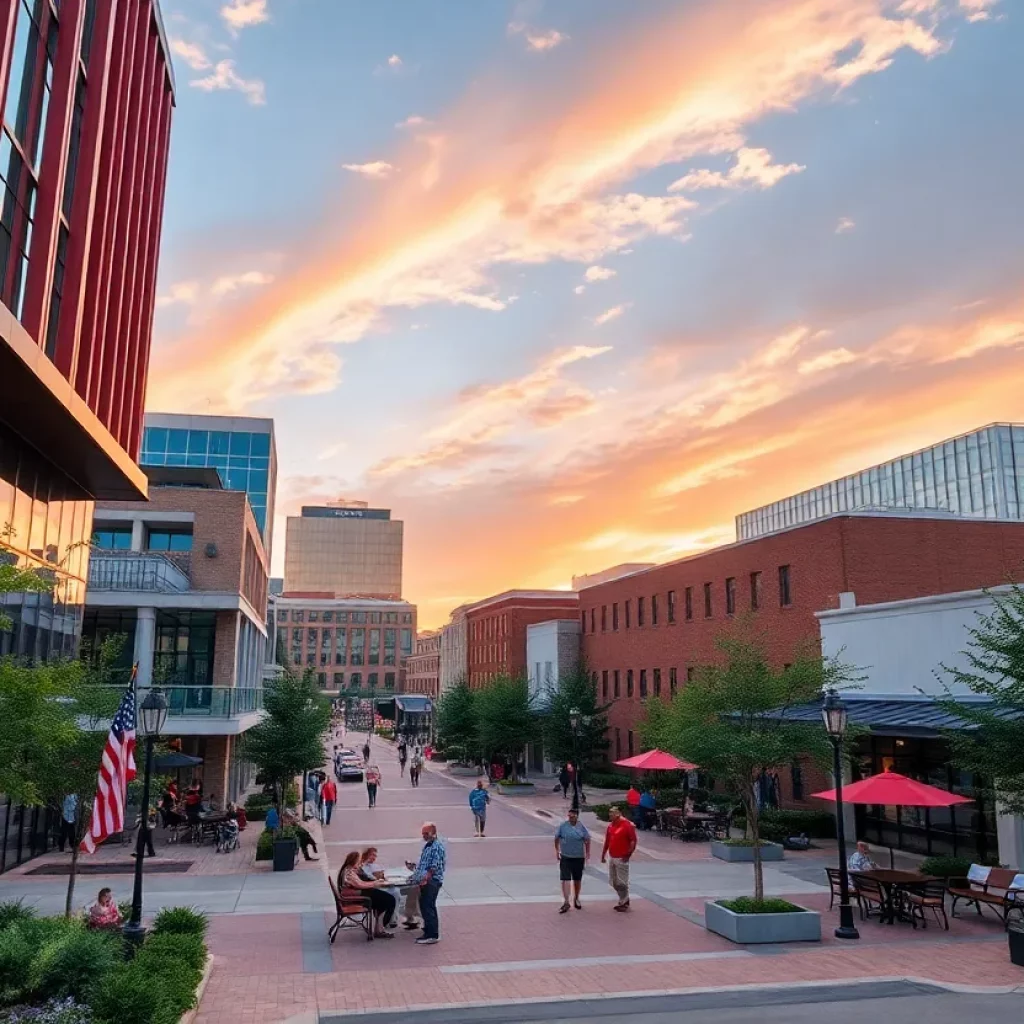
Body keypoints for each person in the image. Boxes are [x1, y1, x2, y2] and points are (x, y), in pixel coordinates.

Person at [405, 822, 445, 945]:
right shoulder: (428, 846)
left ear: (433, 832)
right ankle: (428, 930)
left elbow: (434, 866)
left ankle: (432, 934)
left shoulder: (436, 846)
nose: (424, 836)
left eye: (426, 833)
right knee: (424, 906)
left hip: (431, 881)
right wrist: (413, 868)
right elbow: (424, 865)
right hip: (425, 880)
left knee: (428, 906)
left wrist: (425, 879)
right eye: (423, 833)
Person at [339, 851, 395, 938]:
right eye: (358, 861)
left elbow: (360, 882)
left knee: (382, 901)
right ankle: (381, 927)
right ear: (354, 861)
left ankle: (379, 928)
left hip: (358, 895)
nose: (360, 863)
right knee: (389, 900)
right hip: (357, 898)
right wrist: (375, 883)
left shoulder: (348, 870)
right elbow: (360, 884)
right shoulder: (349, 872)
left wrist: (374, 882)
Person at [555, 807, 591, 913]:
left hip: (578, 857)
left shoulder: (581, 827)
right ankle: (566, 902)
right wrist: (557, 850)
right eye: (569, 816)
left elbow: (587, 839)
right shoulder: (563, 826)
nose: (570, 818)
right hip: (565, 856)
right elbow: (556, 838)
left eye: (573, 816)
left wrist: (588, 853)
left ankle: (576, 898)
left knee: (577, 879)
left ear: (577, 816)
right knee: (565, 879)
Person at [601, 805, 637, 911]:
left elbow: (633, 840)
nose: (610, 815)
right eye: (609, 813)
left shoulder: (627, 825)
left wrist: (628, 854)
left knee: (622, 882)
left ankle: (624, 901)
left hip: (622, 858)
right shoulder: (611, 826)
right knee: (614, 882)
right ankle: (624, 899)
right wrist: (603, 855)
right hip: (612, 856)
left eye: (612, 813)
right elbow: (607, 841)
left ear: (618, 814)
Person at [358, 847, 402, 928]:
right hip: (372, 889)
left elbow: (382, 875)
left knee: (396, 891)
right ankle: (388, 920)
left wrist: (382, 876)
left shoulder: (374, 865)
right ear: (366, 855)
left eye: (375, 856)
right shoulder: (361, 865)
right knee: (394, 893)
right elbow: (368, 878)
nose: (374, 857)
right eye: (372, 855)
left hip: (378, 885)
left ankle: (392, 918)